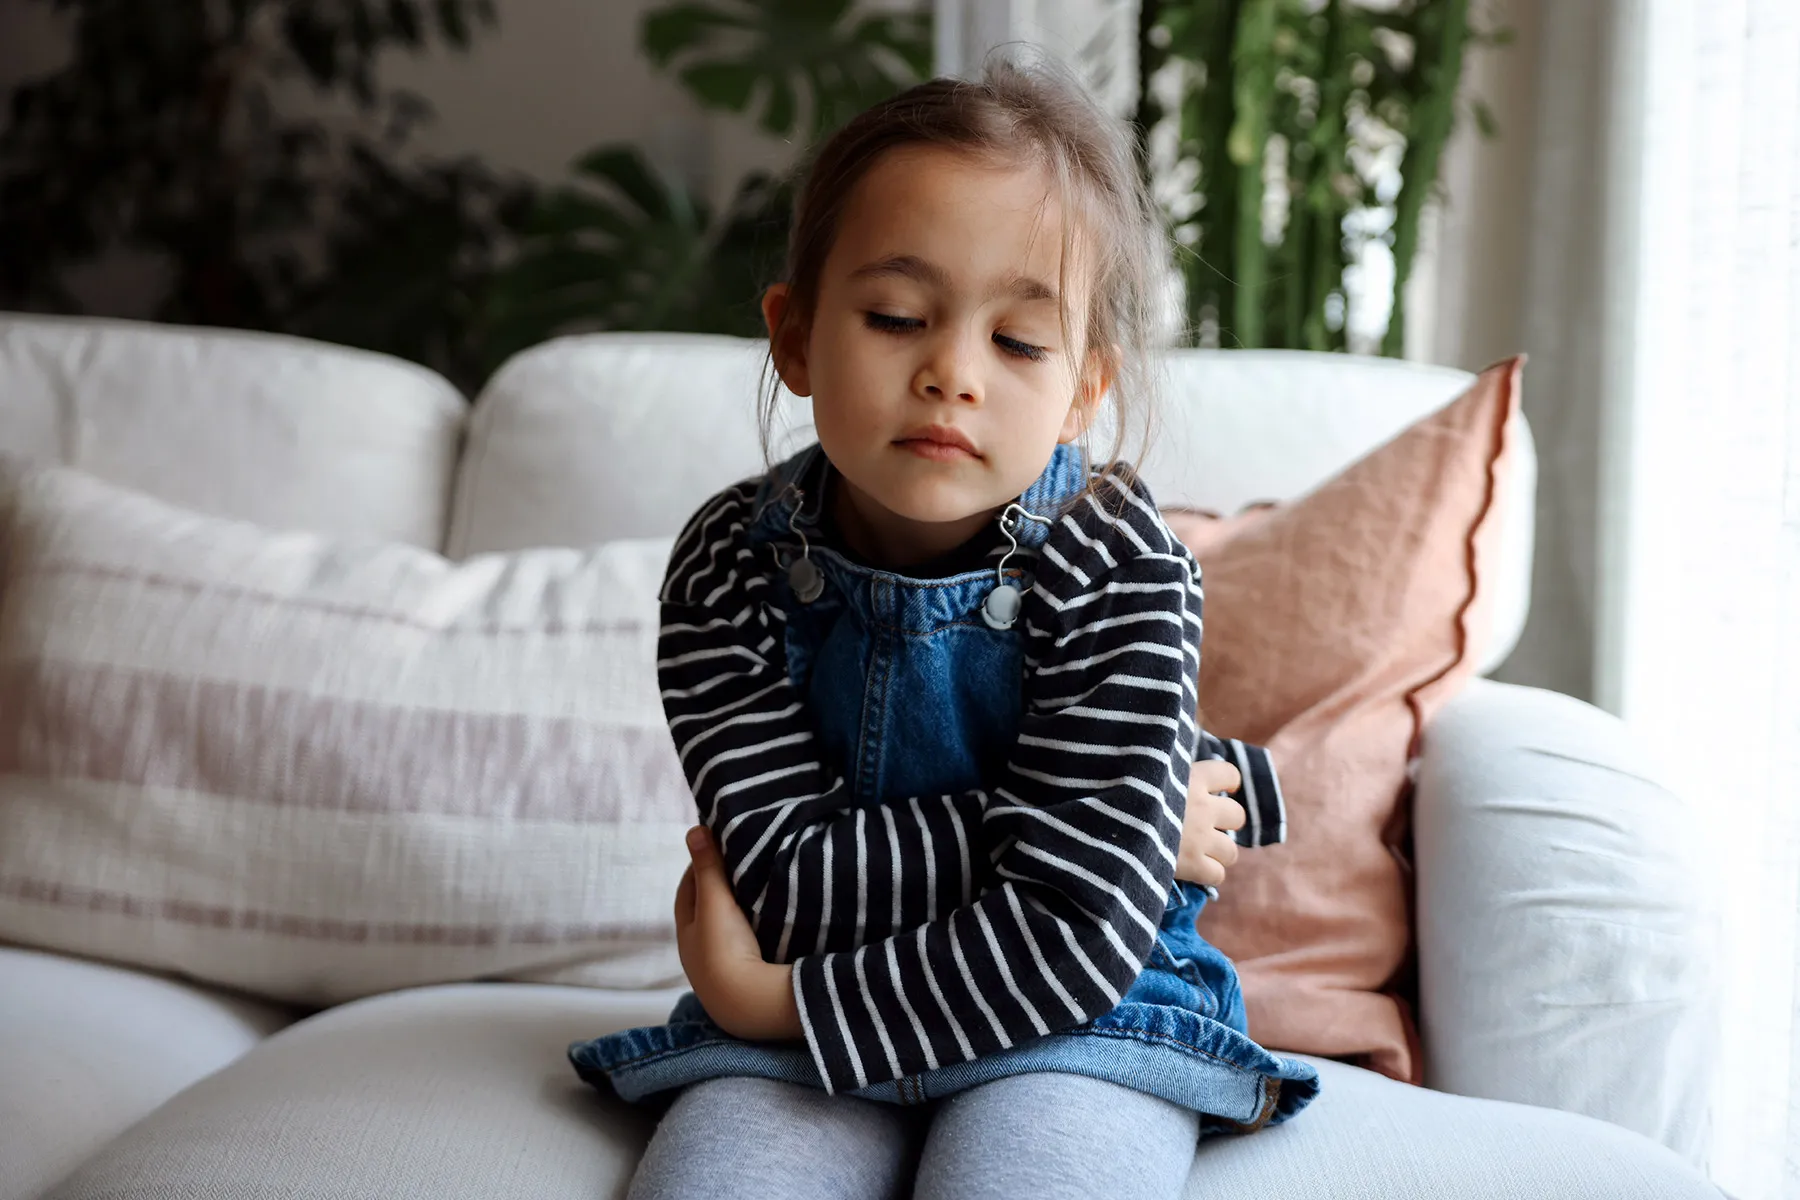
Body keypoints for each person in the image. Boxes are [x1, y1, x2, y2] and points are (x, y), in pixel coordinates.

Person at [569, 50, 1319, 1200]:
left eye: (1018, 342)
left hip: (1085, 1007)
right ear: (796, 337)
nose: (952, 374)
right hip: (816, 995)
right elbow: (788, 883)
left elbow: (1074, 931)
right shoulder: (729, 563)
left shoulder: (1124, 568)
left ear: (1081, 389)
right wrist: (1108, 834)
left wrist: (775, 1002)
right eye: (896, 315)